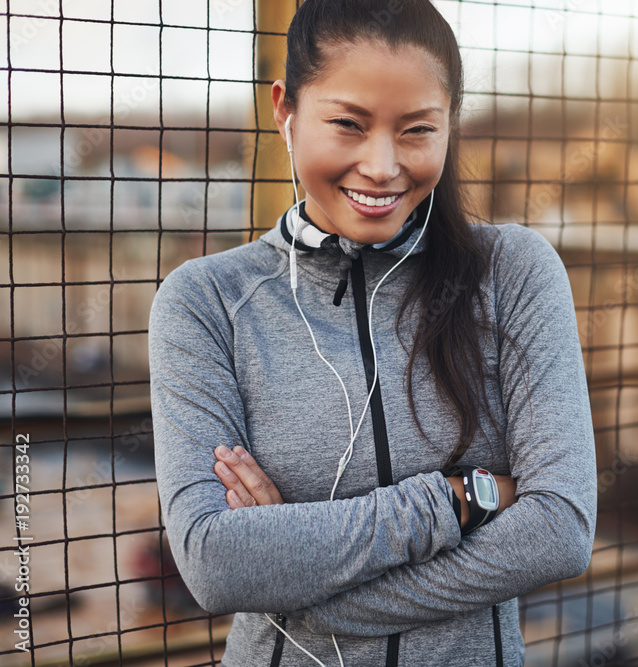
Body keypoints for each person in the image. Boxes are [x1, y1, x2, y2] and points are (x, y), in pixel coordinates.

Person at [148, 0, 596, 665]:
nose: (382, 166)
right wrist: (457, 498)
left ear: (449, 126)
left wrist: (305, 586)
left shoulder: (514, 272)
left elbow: (559, 527)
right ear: (285, 110)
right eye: (348, 125)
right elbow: (216, 562)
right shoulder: (205, 303)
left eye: (417, 130)